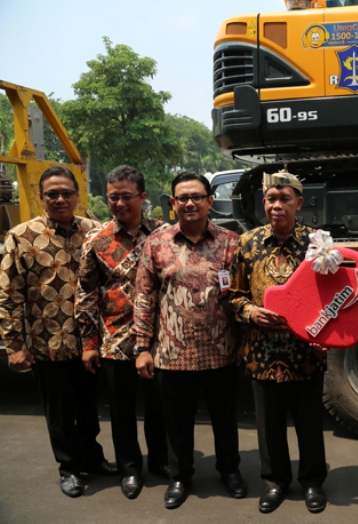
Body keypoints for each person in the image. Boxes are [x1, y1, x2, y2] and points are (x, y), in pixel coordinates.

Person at [0, 166, 117, 498]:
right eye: (52, 193)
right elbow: (9, 295)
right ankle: (69, 468)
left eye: (66, 192)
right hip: (47, 343)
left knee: (88, 407)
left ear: (78, 196)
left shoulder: (96, 232)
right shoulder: (21, 236)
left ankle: (92, 460)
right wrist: (14, 346)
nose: (60, 199)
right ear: (41, 197)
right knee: (60, 413)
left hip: (92, 342)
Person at [133, 171, 246, 509]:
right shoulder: (156, 243)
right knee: (176, 423)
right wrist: (142, 347)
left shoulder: (231, 242)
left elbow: (243, 294)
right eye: (182, 197)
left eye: (197, 196)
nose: (190, 203)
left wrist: (245, 340)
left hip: (222, 351)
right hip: (171, 352)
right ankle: (180, 476)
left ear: (210, 200)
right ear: (172, 203)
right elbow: (144, 297)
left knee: (226, 418)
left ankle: (230, 471)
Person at [229, 172, 329, 515]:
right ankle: (274, 482)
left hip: (305, 352)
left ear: (299, 203)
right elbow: (235, 295)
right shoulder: (248, 243)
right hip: (262, 353)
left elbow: (332, 295)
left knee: (309, 423)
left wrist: (325, 335)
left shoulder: (318, 244)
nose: (276, 205)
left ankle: (313, 482)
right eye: (271, 198)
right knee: (269, 426)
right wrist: (252, 313)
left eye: (284, 198)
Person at [75, 165, 169, 500]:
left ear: (142, 197)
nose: (119, 203)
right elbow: (85, 293)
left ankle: (160, 461)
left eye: (126, 196)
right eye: (113, 197)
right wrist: (88, 343)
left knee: (159, 406)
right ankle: (130, 469)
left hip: (159, 340)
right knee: (121, 409)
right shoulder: (96, 239)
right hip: (114, 340)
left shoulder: (163, 234)